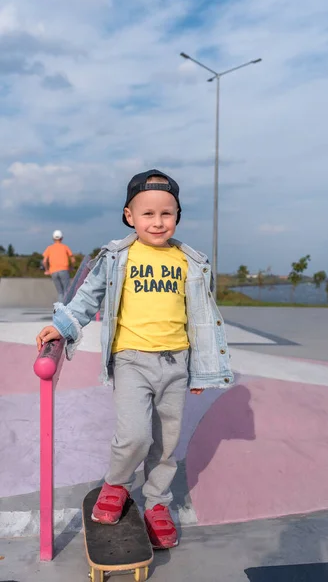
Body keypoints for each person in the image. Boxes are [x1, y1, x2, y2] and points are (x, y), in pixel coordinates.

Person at [36, 169, 234, 549]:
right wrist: (63, 325)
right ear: (130, 215)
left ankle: (158, 502)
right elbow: (88, 295)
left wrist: (201, 372)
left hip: (177, 363)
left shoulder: (190, 261)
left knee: (166, 442)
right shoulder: (117, 256)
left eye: (167, 214)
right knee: (134, 435)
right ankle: (117, 484)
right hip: (131, 360)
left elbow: (202, 318)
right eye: (148, 214)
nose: (157, 222)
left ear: (177, 216)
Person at [42, 230, 75, 302]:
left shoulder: (49, 248)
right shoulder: (65, 247)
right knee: (67, 291)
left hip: (53, 271)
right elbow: (73, 260)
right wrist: (71, 268)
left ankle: (60, 310)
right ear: (62, 238)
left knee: (60, 292)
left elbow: (44, 261)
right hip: (64, 270)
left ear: (53, 239)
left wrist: (47, 270)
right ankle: (67, 308)